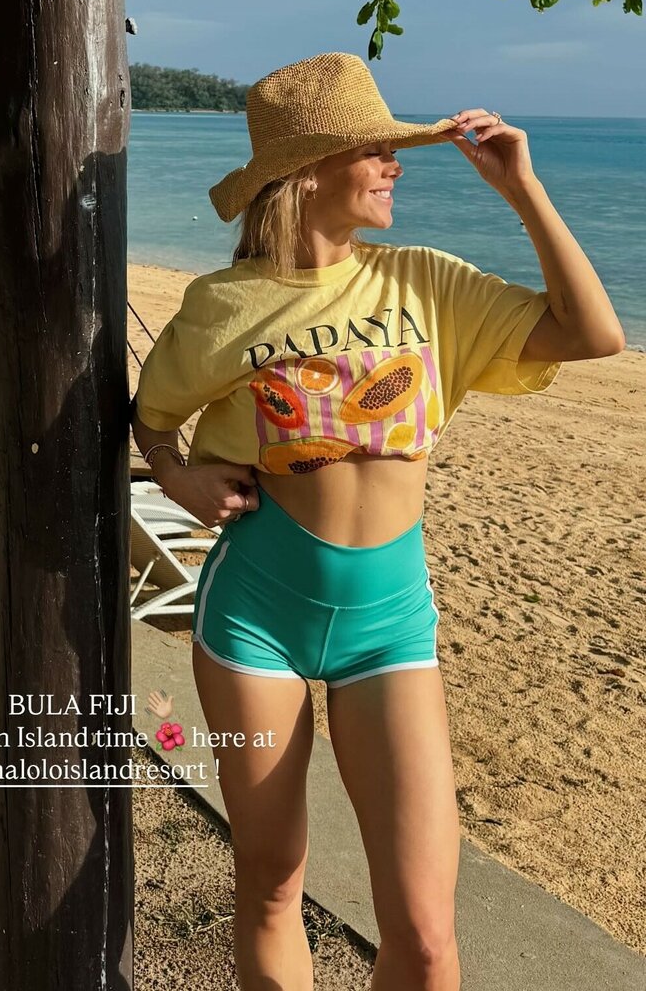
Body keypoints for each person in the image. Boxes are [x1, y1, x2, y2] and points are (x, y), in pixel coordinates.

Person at [130, 52, 625, 991]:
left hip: (391, 626)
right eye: (375, 150)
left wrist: (522, 190)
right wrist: (178, 476)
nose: (396, 165)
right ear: (307, 171)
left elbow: (594, 333)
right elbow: (153, 417)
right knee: (272, 883)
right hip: (255, 617)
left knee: (427, 936)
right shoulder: (224, 307)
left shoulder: (427, 284)